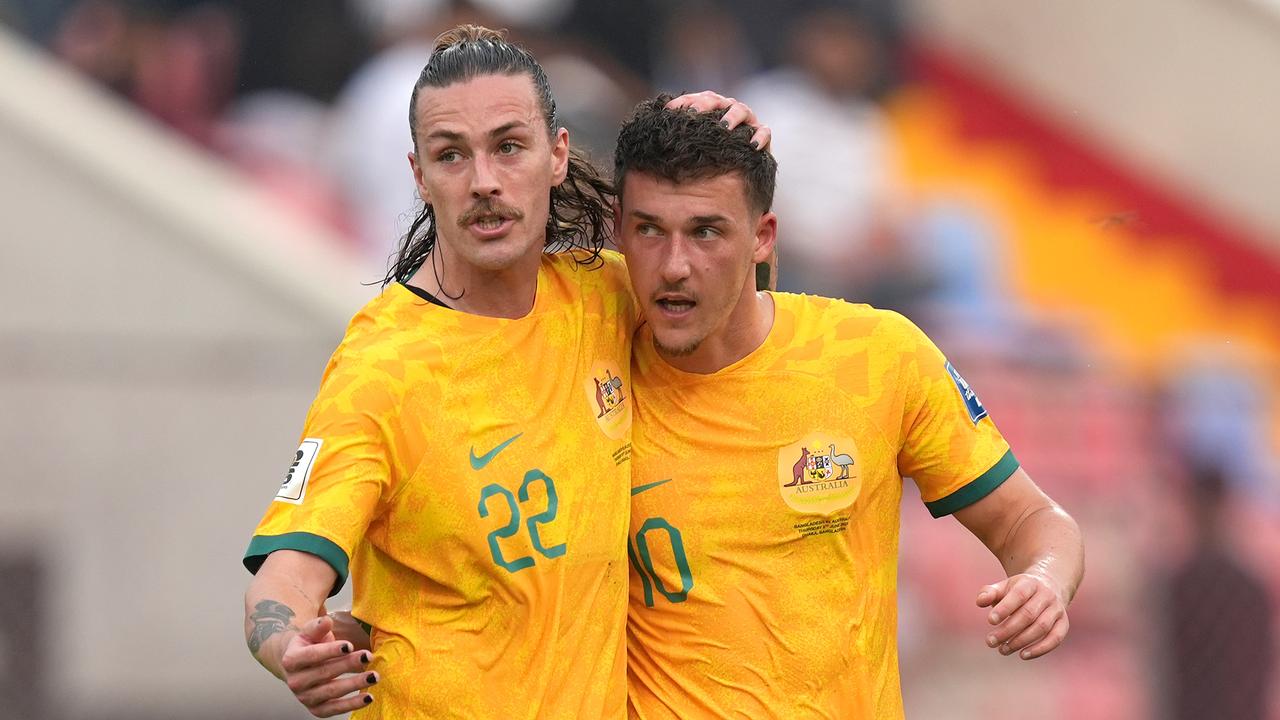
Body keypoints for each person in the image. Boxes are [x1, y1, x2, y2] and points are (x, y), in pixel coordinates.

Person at [239, 25, 767, 719]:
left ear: (557, 154)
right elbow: (285, 579)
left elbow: (737, 301)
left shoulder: (602, 297)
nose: (483, 181)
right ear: (420, 176)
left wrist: (718, 145)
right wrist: (289, 648)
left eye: (508, 147)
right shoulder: (384, 368)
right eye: (451, 156)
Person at [612, 97, 1085, 718]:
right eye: (650, 230)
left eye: (707, 231)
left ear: (762, 237)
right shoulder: (585, 350)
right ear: (619, 231)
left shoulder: (876, 356)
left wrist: (1045, 581)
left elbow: (1033, 521)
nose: (674, 266)